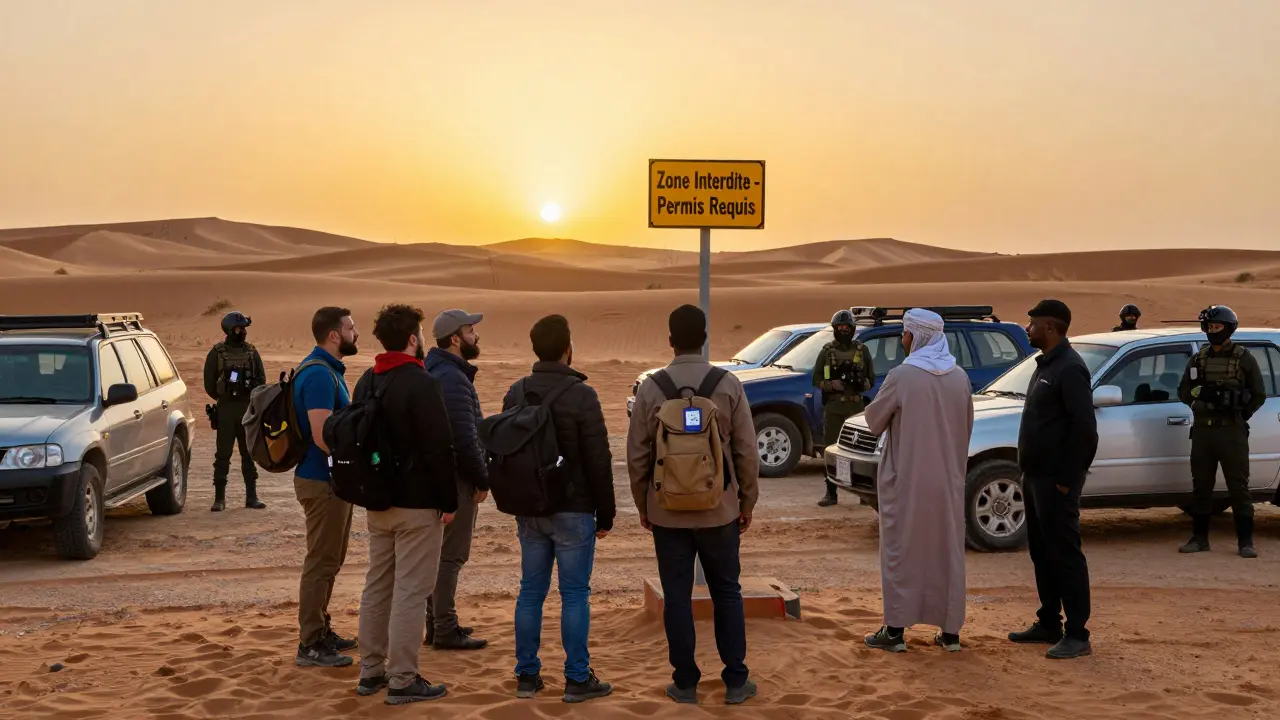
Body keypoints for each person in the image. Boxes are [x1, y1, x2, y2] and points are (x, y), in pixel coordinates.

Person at [628, 304, 760, 705]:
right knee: (727, 592)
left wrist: (644, 506)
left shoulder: (651, 387)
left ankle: (685, 683)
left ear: (670, 340)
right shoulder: (728, 384)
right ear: (704, 338)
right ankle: (736, 680)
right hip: (719, 511)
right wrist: (746, 502)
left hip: (667, 514)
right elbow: (747, 452)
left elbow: (637, 455)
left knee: (677, 596)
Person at [504, 314, 615, 703]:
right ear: (568, 348)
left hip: (530, 508)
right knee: (574, 594)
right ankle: (577, 678)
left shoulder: (516, 392)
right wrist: (607, 513)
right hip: (574, 510)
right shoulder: (583, 395)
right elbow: (599, 459)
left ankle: (526, 676)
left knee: (530, 592)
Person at [353, 304, 459, 705]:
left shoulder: (368, 379)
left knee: (378, 584)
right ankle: (402, 679)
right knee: (412, 590)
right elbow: (439, 448)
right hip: (416, 506)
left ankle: (371, 671)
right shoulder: (421, 382)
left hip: (378, 503)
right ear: (413, 338)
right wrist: (449, 501)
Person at [861, 309, 973, 653]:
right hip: (947, 481)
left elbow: (874, 419)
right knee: (946, 552)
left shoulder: (902, 375)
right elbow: (966, 427)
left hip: (907, 480)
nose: (902, 340)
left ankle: (894, 632)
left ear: (917, 336)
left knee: (901, 552)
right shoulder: (960, 378)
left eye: (905, 334)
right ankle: (950, 633)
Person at [1008, 299, 1098, 660]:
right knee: (1042, 553)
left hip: (1056, 481)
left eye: (1032, 325)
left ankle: (1078, 633)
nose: (1027, 330)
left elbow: (1085, 431)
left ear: (1049, 327)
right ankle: (1049, 622)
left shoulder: (1070, 368)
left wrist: (1066, 479)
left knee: (1065, 554)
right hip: (1034, 478)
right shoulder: (1044, 365)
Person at [293, 307, 360, 668]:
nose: (356, 333)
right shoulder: (319, 375)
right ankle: (311, 643)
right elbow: (322, 436)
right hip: (320, 481)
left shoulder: (329, 371)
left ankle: (322, 629)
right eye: (351, 328)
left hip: (331, 481)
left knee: (331, 559)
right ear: (334, 336)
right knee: (321, 561)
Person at [423, 309, 490, 651]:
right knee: (450, 557)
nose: (475, 335)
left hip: (441, 478)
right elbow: (464, 438)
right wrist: (482, 479)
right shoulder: (451, 378)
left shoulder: (439, 371)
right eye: (470, 330)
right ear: (454, 338)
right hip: (455, 480)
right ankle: (445, 628)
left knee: (440, 556)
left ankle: (437, 624)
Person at [1176, 305, 1266, 559]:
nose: (1212, 331)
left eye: (1217, 327)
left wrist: (1239, 411)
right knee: (1201, 487)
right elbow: (1183, 390)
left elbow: (1258, 394)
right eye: (1209, 327)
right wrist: (1199, 396)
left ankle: (1245, 542)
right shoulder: (1199, 358)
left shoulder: (1243, 358)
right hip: (1204, 433)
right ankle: (1199, 538)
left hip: (1232, 432)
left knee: (1238, 487)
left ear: (1228, 329)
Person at [202, 311, 268, 512]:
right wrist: (225, 397)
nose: (244, 332)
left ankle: (252, 496)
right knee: (223, 455)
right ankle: (219, 499)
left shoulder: (251, 352)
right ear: (231, 330)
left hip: (247, 409)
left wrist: (247, 392)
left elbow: (261, 380)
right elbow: (209, 384)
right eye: (241, 328)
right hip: (226, 410)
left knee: (249, 454)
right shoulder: (217, 353)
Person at [812, 309, 874, 507]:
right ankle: (831, 492)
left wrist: (860, 383)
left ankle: (864, 493)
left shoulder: (862, 351)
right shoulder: (827, 351)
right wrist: (832, 385)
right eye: (840, 327)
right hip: (834, 407)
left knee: (860, 452)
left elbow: (871, 379)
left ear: (853, 329)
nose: (843, 330)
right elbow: (816, 379)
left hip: (855, 408)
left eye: (847, 327)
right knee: (831, 450)